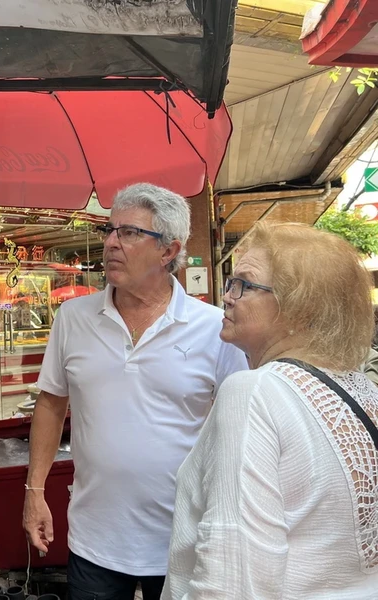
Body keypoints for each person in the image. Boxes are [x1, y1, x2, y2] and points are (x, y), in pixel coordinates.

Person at [23, 183, 248, 600]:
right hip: (94, 539)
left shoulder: (214, 327)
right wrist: (34, 491)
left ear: (168, 251)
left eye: (128, 233)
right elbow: (52, 404)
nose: (111, 243)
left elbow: (240, 427)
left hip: (185, 536)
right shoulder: (73, 318)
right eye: (109, 231)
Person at [162, 222, 378, 599]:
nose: (227, 297)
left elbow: (232, 577)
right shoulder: (362, 390)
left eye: (244, 284)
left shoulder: (253, 391)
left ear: (298, 308)